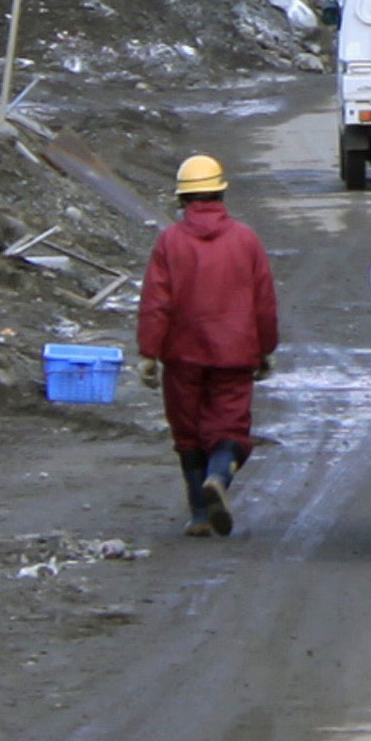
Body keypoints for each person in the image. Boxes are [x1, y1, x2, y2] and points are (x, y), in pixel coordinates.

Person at [138, 155, 278, 537]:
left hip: (182, 355)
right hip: (235, 354)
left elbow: (156, 303)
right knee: (230, 428)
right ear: (220, 194)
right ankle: (219, 476)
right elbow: (264, 302)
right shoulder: (246, 240)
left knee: (188, 431)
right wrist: (265, 348)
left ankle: (200, 515)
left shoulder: (170, 242)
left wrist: (149, 352)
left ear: (183, 198)